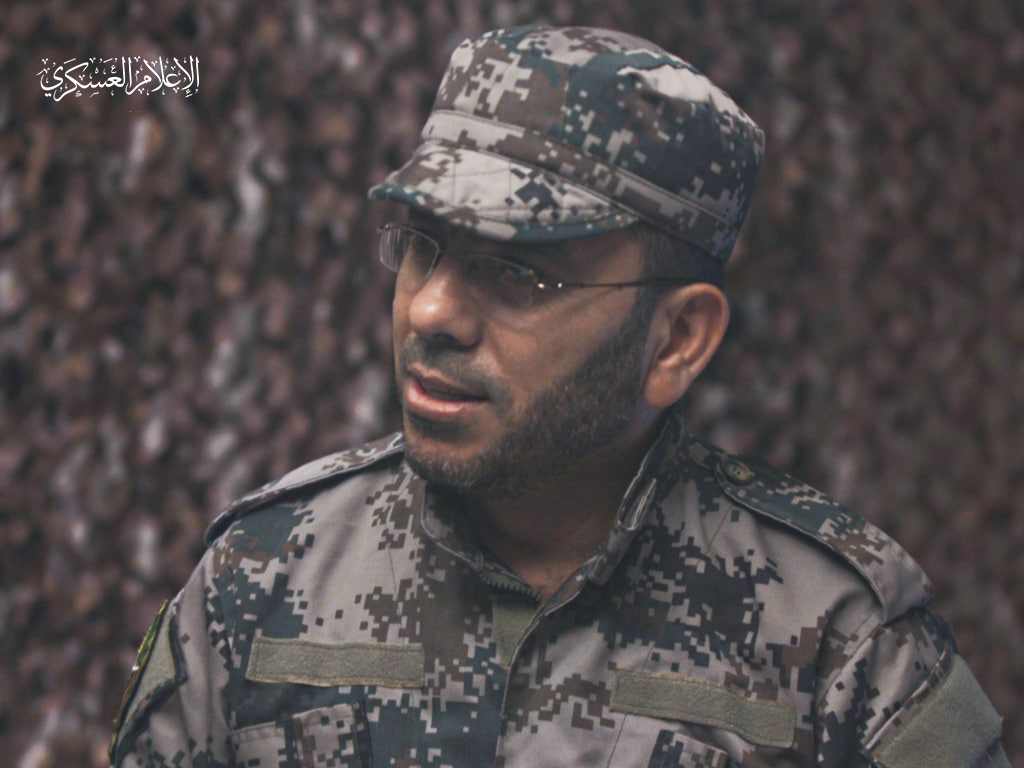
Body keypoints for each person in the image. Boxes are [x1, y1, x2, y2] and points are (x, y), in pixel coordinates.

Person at [110, 25, 1008, 768]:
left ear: (677, 339)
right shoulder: (262, 577)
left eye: (518, 275)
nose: (430, 312)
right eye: (422, 245)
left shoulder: (839, 649)